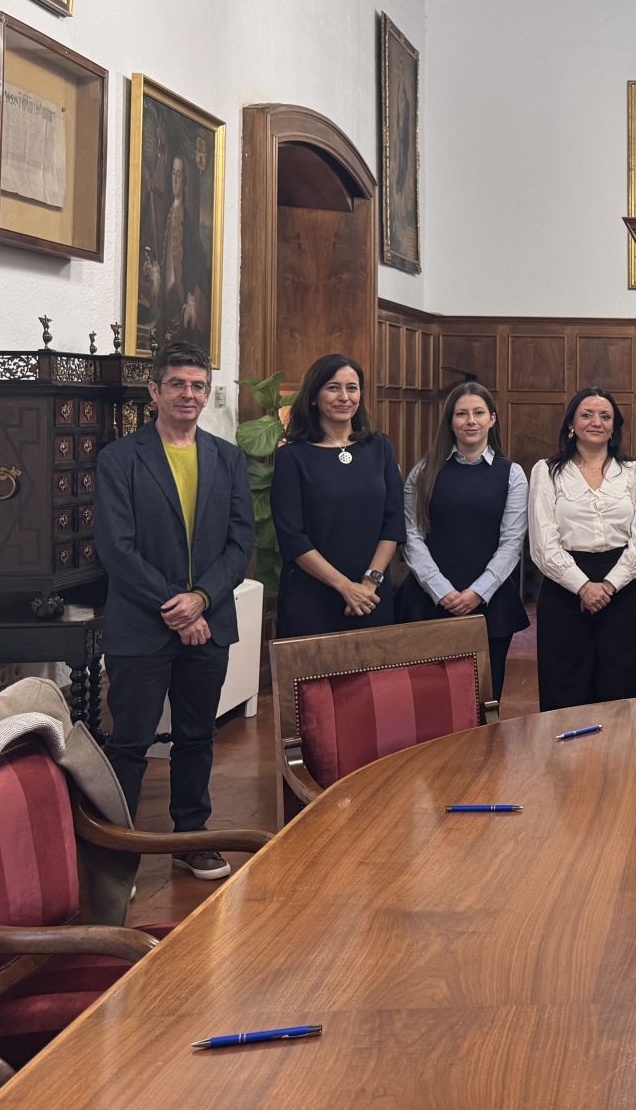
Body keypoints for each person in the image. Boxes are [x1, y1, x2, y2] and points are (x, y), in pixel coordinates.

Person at [93, 342, 252, 879]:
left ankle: (191, 837)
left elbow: (239, 542)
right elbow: (117, 548)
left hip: (210, 621)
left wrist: (202, 599)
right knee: (129, 743)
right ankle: (118, 857)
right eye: (178, 384)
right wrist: (177, 606)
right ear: (154, 391)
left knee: (197, 736)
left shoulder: (227, 458)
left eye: (198, 385)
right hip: (141, 625)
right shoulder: (119, 458)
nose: (189, 394)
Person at [528, 388, 636, 712]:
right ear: (571, 422)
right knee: (566, 689)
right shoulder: (546, 471)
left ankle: (623, 764)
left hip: (624, 591)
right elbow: (543, 545)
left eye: (605, 416)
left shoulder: (635, 472)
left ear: (615, 426)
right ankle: (568, 763)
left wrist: (609, 586)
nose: (595, 422)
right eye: (586, 414)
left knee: (623, 690)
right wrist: (584, 587)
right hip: (564, 591)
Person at [401, 381, 529, 704]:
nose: (470, 421)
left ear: (492, 419)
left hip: (490, 606)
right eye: (461, 414)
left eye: (478, 413)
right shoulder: (423, 472)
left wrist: (477, 593)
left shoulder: (512, 474)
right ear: (450, 421)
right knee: (429, 703)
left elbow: (512, 542)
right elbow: (411, 537)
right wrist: (443, 591)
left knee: (484, 701)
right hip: (429, 602)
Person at [271, 354, 404, 638]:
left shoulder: (380, 447)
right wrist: (345, 587)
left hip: (372, 597)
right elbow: (292, 536)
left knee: (373, 681)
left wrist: (369, 583)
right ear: (313, 397)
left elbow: (393, 521)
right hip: (312, 598)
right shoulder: (291, 456)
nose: (344, 397)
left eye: (352, 388)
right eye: (333, 387)